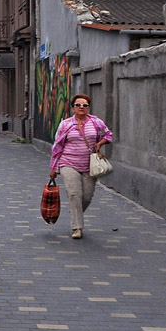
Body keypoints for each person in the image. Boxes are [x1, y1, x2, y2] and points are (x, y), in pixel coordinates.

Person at [49, 93, 112, 239]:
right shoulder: (65, 124)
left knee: (87, 197)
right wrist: (53, 168)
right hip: (68, 163)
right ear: (73, 108)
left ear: (88, 107)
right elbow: (57, 147)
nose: (81, 107)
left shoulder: (96, 122)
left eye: (85, 105)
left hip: (90, 166)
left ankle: (75, 211)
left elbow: (108, 135)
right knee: (74, 194)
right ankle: (77, 228)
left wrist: (100, 143)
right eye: (78, 105)